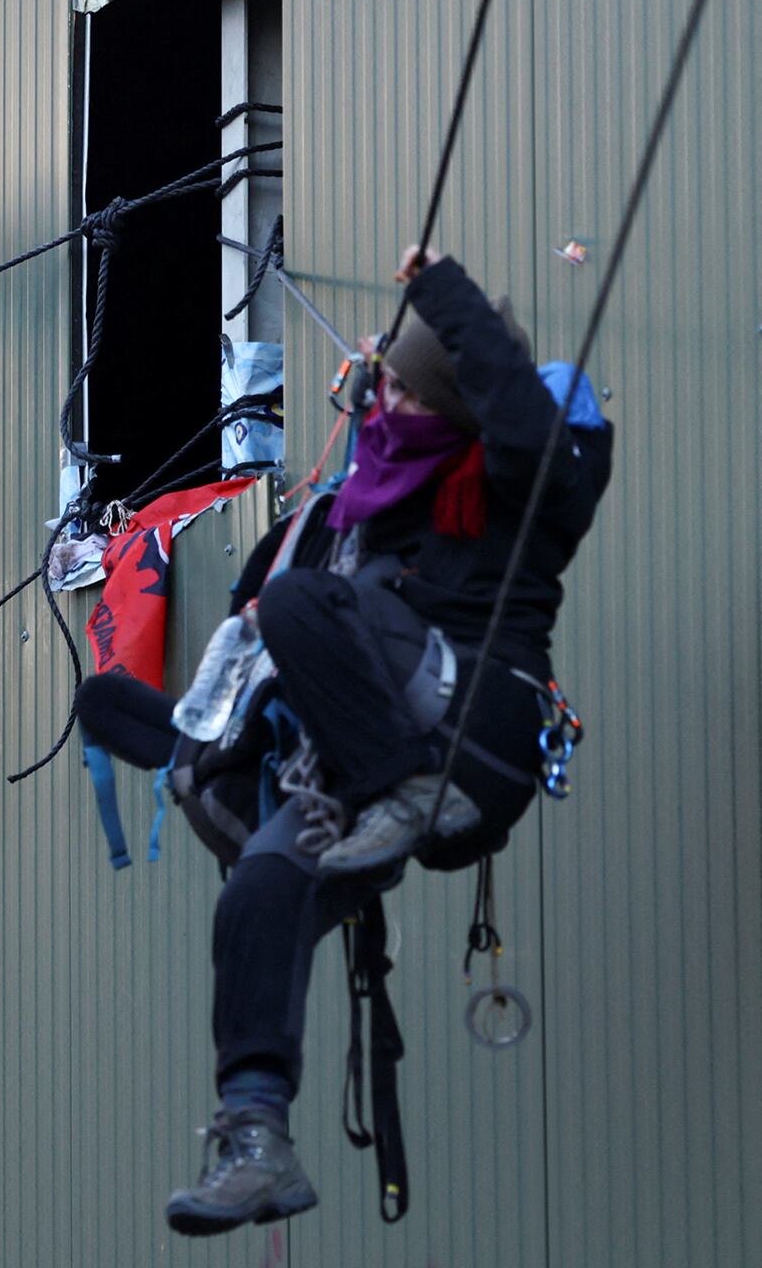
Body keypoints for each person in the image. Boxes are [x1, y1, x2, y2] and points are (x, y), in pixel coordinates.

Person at [81, 246, 612, 1234]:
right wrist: (210, 732)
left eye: (408, 394)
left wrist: (444, 292)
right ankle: (254, 1133)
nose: (385, 406)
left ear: (457, 412)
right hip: (367, 773)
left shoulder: (515, 493)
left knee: (299, 605)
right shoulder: (347, 517)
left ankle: (387, 783)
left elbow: (523, 423)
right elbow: (264, 632)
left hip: (469, 734)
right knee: (259, 892)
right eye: (386, 385)